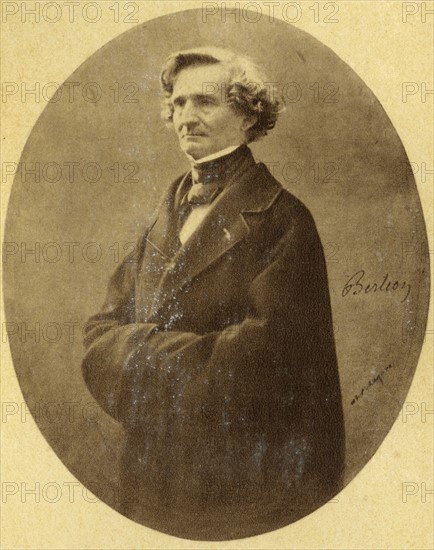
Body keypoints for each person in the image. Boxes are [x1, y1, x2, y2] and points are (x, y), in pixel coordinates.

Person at [81, 47, 345, 540]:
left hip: (243, 481)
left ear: (248, 115)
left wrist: (143, 355)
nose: (186, 116)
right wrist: (161, 355)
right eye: (178, 103)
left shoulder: (284, 219)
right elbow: (99, 333)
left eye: (204, 101)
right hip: (150, 474)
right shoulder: (162, 215)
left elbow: (270, 355)